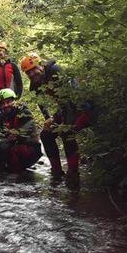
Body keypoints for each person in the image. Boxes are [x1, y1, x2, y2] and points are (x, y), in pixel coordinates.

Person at [21, 53, 92, 184]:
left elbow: (71, 99)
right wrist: (48, 119)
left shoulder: (55, 71)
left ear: (41, 66)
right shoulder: (36, 83)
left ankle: (73, 173)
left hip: (83, 107)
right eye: (28, 73)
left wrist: (64, 123)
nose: (31, 74)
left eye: (33, 70)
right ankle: (56, 172)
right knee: (46, 135)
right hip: (65, 108)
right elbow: (41, 103)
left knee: (66, 132)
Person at [0, 89, 42, 172]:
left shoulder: (24, 112)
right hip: (17, 146)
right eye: (3, 103)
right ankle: (5, 169)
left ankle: (16, 173)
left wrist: (11, 136)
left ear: (14, 101)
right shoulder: (3, 116)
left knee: (4, 146)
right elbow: (1, 133)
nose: (5, 105)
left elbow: (23, 132)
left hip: (31, 148)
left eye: (8, 102)